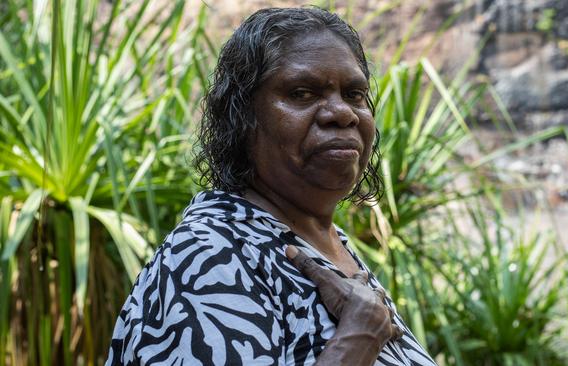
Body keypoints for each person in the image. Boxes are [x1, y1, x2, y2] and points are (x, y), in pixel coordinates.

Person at [107, 7, 436, 366]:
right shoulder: (210, 253)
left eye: (354, 94)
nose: (342, 113)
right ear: (242, 117)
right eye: (301, 93)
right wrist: (358, 336)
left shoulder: (328, 245)